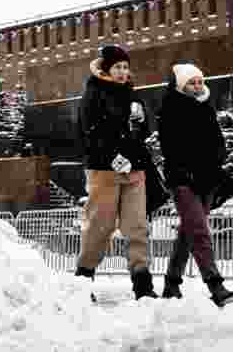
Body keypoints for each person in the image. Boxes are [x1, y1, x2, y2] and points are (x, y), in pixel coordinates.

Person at [74, 44, 158, 300]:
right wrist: (112, 157)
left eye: (125, 67)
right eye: (118, 67)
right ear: (106, 68)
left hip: (135, 170)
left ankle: (143, 285)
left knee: (137, 227)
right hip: (104, 171)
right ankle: (82, 281)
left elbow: (144, 132)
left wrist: (143, 121)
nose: (123, 72)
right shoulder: (94, 93)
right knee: (100, 226)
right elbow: (89, 132)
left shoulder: (133, 95)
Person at [156, 63, 233, 307]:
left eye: (199, 81)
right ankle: (216, 285)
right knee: (199, 232)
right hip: (182, 180)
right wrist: (186, 171)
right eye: (191, 82)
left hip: (207, 180)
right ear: (181, 85)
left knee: (188, 232)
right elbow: (170, 147)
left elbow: (218, 143)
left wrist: (217, 166)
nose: (196, 86)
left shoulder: (206, 108)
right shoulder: (171, 108)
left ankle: (172, 283)